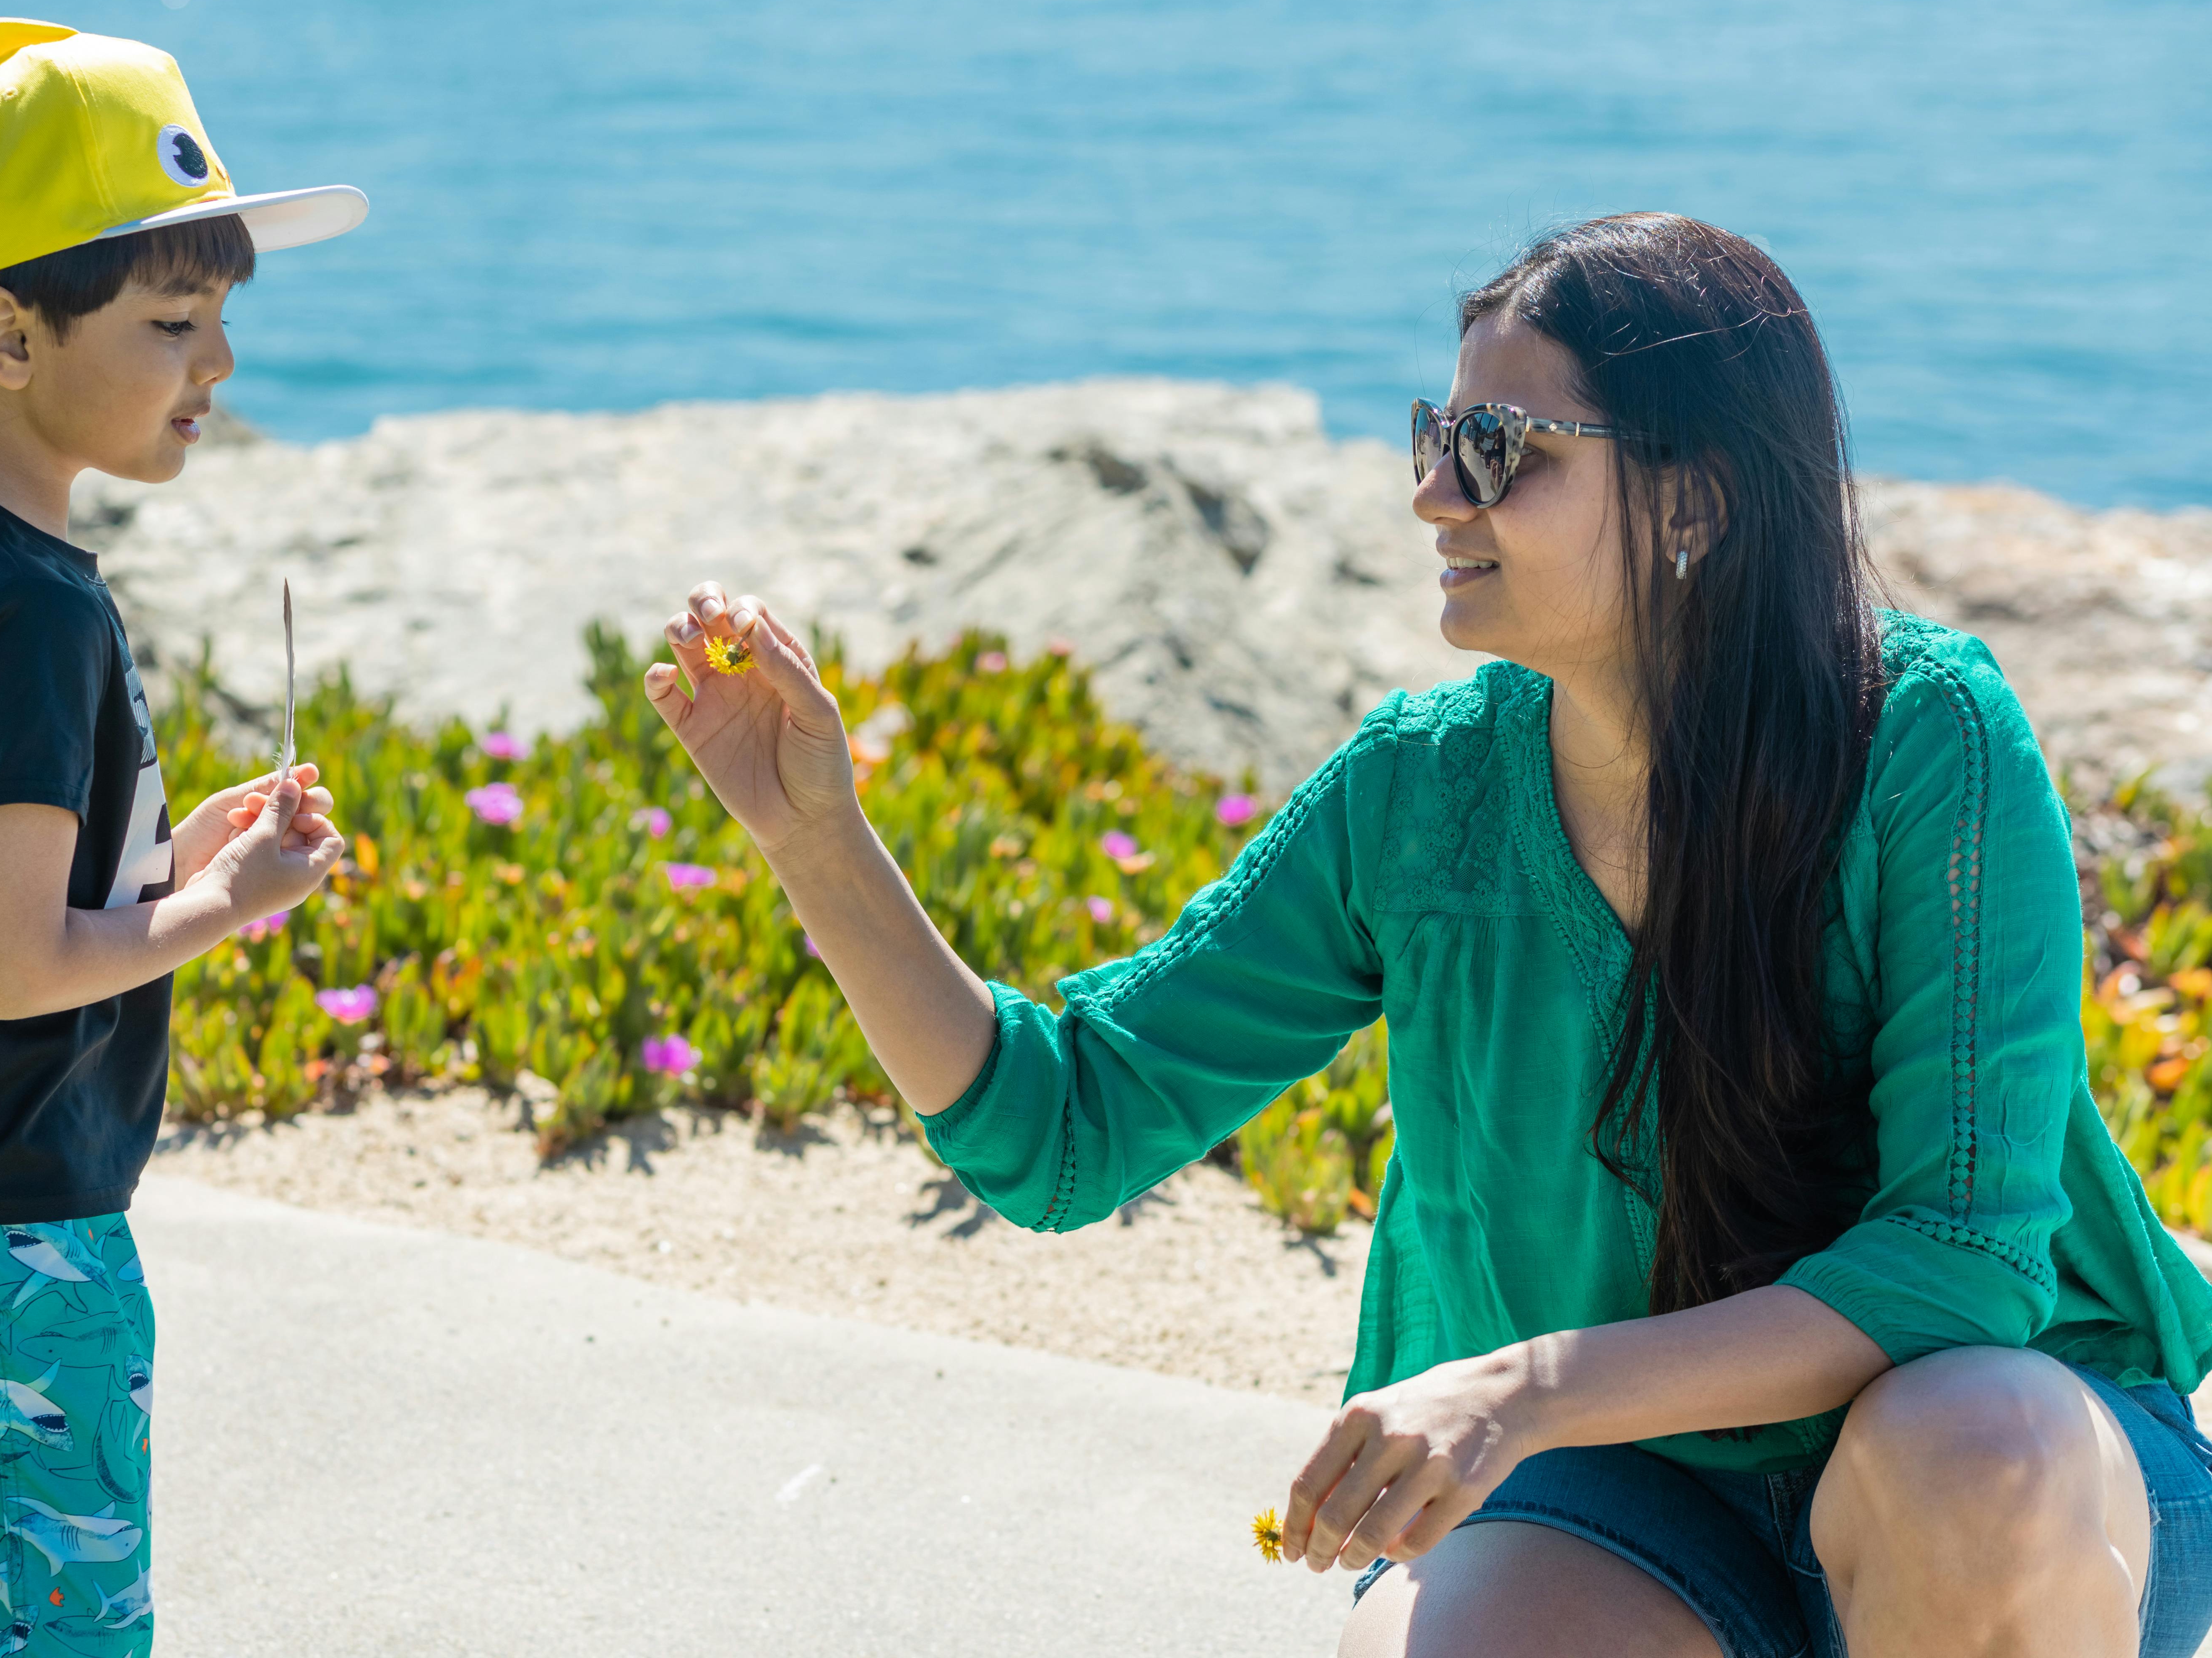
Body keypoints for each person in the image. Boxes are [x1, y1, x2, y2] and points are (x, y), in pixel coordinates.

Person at [643, 213, 2212, 1658]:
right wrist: (816, 841)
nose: (1431, 494)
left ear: (1698, 501)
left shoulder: (1923, 738)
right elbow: (1061, 1131)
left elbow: (1961, 1270)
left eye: (1498, 448)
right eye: (1435, 435)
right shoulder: (1422, 790)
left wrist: (1522, 1388)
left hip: (2006, 1480)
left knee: (1970, 1450)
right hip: (1632, 1496)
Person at [0, 18, 364, 1655]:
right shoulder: (40, 617)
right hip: (9, 1258)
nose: (217, 368)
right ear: (9, 335)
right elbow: (16, 959)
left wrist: (166, 870)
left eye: (222, 316)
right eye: (175, 321)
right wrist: (233, 901)